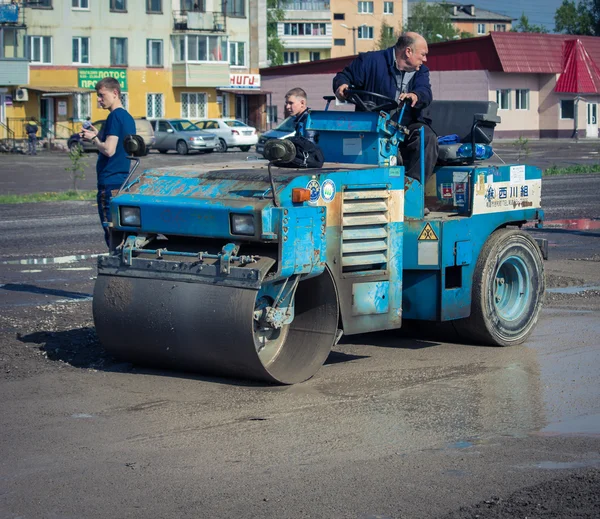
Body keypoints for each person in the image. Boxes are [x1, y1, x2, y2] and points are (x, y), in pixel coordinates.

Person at [333, 32, 438, 183]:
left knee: (426, 137)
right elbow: (344, 77)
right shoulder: (370, 61)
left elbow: (425, 92)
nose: (425, 59)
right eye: (423, 54)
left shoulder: (421, 71)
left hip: (406, 124)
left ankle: (411, 187)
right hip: (372, 123)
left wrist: (416, 95)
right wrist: (341, 85)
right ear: (408, 51)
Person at [81, 77, 135, 247]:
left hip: (109, 182)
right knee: (123, 233)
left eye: (101, 95)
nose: (98, 99)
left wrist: (94, 139)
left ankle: (115, 269)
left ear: (115, 93)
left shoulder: (114, 117)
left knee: (112, 234)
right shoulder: (127, 117)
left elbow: (109, 150)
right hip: (123, 181)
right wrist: (99, 135)